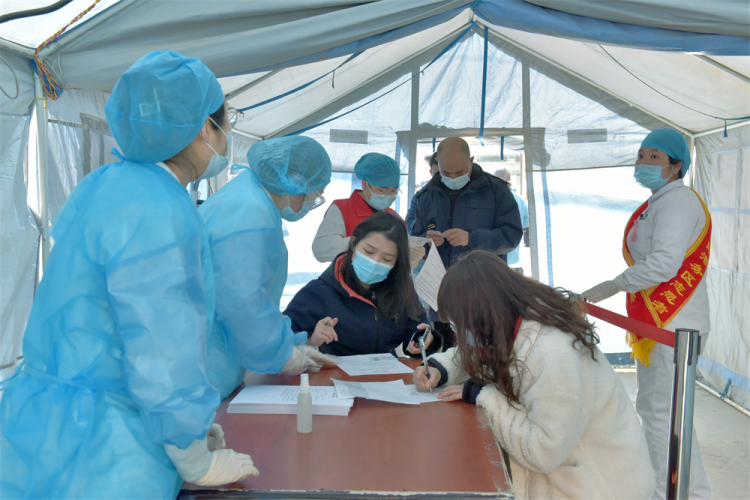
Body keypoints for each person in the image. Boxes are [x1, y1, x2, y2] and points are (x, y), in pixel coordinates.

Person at [0, 51, 257, 499]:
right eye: (226, 120)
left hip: (39, 425)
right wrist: (191, 452)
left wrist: (192, 431)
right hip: (110, 448)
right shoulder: (162, 209)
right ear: (204, 128)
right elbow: (162, 346)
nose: (228, 132)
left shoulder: (102, 184)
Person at [414, 251, 655, 500]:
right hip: (570, 474)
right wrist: (440, 368)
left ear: (483, 313)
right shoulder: (513, 322)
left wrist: (485, 397)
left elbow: (543, 451)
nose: (462, 334)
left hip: (602, 488)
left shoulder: (554, 352)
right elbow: (481, 355)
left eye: (461, 324)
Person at [581, 128, 712, 500]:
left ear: (675, 166)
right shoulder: (659, 201)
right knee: (662, 413)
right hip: (660, 324)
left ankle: (675, 492)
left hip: (674, 324)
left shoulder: (678, 202)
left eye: (654, 157)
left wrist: (610, 286)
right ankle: (676, 489)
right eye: (641, 155)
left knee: (664, 414)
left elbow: (664, 265)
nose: (643, 163)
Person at [199, 136, 338, 401]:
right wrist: (282, 354)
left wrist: (293, 343)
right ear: (293, 182)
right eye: (311, 196)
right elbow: (242, 303)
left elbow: (254, 297)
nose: (309, 204)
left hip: (210, 355)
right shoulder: (249, 213)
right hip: (205, 364)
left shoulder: (248, 199)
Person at [285, 212, 438, 356]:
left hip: (384, 377)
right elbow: (280, 343)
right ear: (354, 243)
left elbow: (416, 330)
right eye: (369, 252)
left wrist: (423, 340)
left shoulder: (401, 289)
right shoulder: (318, 292)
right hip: (333, 379)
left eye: (387, 259)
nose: (375, 262)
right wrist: (312, 341)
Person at [407, 137, 522, 269]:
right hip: (441, 280)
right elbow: (415, 239)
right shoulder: (426, 195)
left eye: (460, 172)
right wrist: (427, 241)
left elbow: (511, 236)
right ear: (438, 163)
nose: (453, 178)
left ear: (471, 161)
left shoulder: (496, 190)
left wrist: (471, 239)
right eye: (446, 172)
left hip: (485, 279)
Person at [312, 153, 424, 267]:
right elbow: (321, 249)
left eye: (393, 191)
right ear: (365, 184)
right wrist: (368, 244)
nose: (388, 196)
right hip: (349, 280)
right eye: (382, 190)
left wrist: (410, 258)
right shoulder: (341, 209)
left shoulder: (394, 217)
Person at [494, 168, 529, 272]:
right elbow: (525, 224)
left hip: (497, 258)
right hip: (514, 258)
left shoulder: (495, 198)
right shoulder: (521, 199)